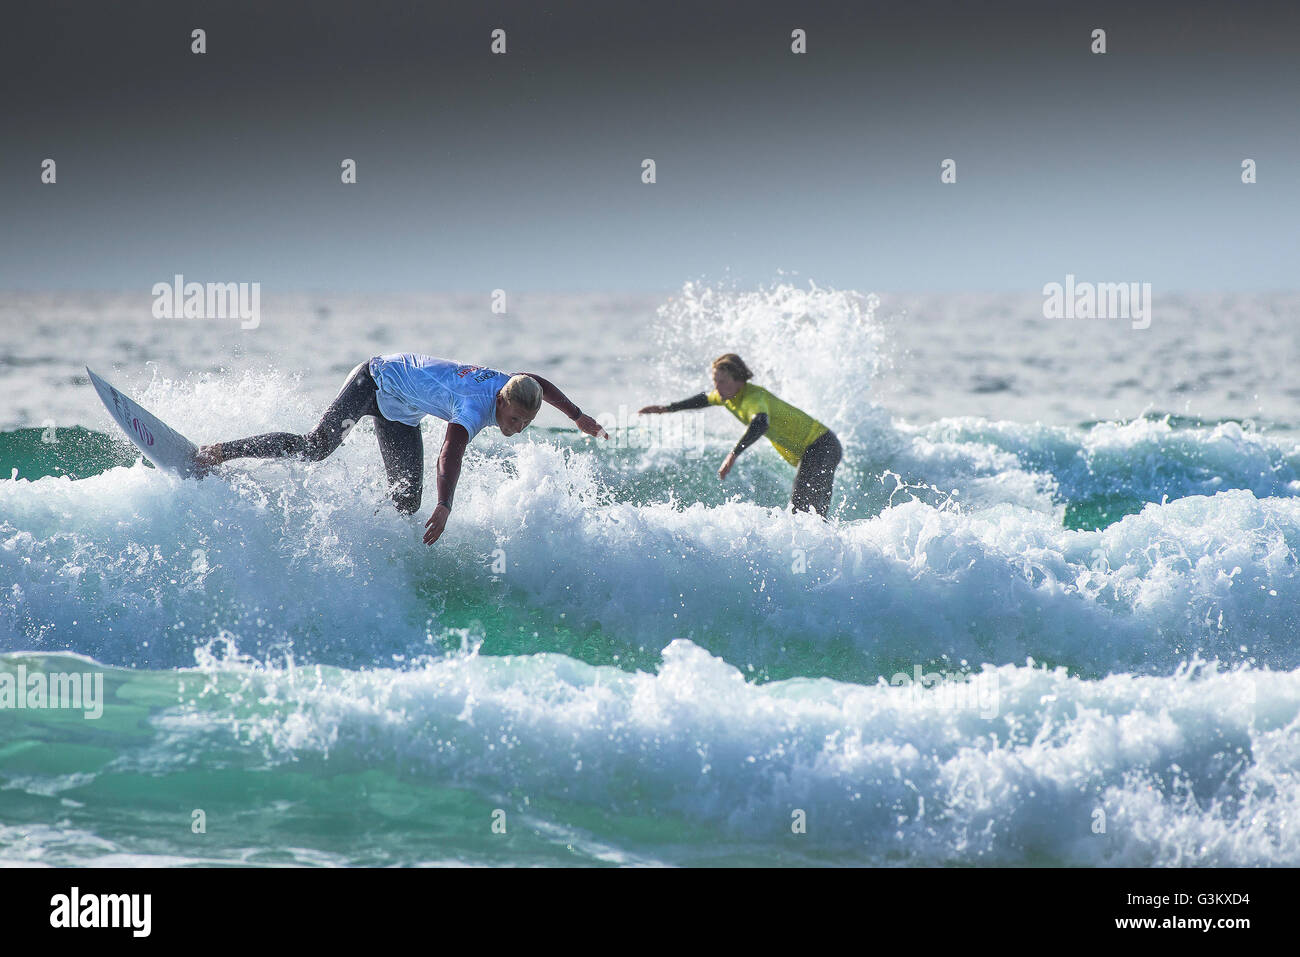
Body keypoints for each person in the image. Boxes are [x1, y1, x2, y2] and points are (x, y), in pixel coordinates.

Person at [194, 353, 608, 544]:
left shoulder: (512, 384)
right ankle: (219, 451)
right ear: (500, 401)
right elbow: (450, 453)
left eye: (525, 423)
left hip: (400, 411)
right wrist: (445, 504)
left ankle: (355, 532)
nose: (516, 429)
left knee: (406, 502)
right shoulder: (474, 406)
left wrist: (576, 416)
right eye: (514, 420)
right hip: (375, 380)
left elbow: (537, 380)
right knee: (316, 447)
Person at [639, 353, 841, 517]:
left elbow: (761, 423)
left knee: (802, 511)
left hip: (821, 445)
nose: (717, 387)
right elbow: (704, 398)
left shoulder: (754, 398)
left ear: (739, 381)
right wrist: (667, 409)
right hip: (816, 448)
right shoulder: (726, 396)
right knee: (813, 512)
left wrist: (733, 454)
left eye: (723, 382)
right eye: (715, 381)